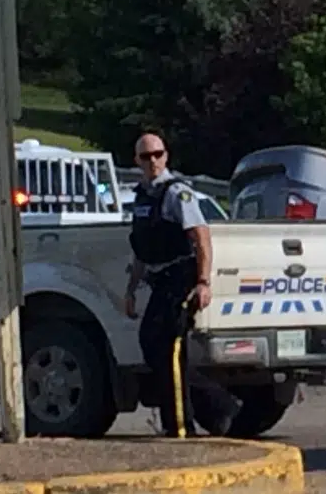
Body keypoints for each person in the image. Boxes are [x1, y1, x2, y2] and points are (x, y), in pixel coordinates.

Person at [124, 130, 240, 438]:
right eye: (146, 156)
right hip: (159, 280)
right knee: (153, 345)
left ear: (166, 156)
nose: (153, 161)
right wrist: (131, 290)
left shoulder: (177, 194)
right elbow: (142, 250)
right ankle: (219, 407)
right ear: (136, 160)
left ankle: (179, 426)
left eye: (158, 154)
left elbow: (201, 238)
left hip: (181, 278)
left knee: (169, 350)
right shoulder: (142, 196)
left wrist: (203, 282)